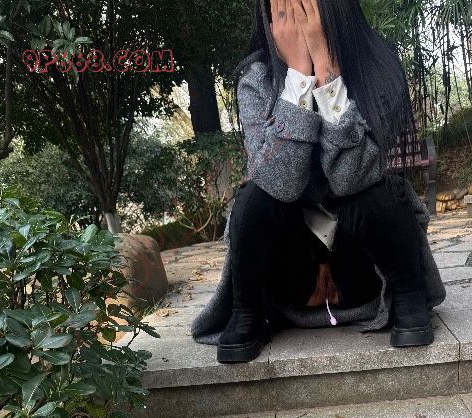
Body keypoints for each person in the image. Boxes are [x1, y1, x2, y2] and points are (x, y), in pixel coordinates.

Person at [191, 0, 446, 364]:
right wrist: (298, 78)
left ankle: (408, 295)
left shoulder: (376, 67)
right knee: (255, 197)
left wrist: (328, 78)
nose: (295, 19)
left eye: (305, 8)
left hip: (363, 270)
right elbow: (278, 183)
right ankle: (246, 311)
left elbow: (353, 177)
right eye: (282, 9)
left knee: (375, 192)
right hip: (290, 274)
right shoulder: (257, 79)